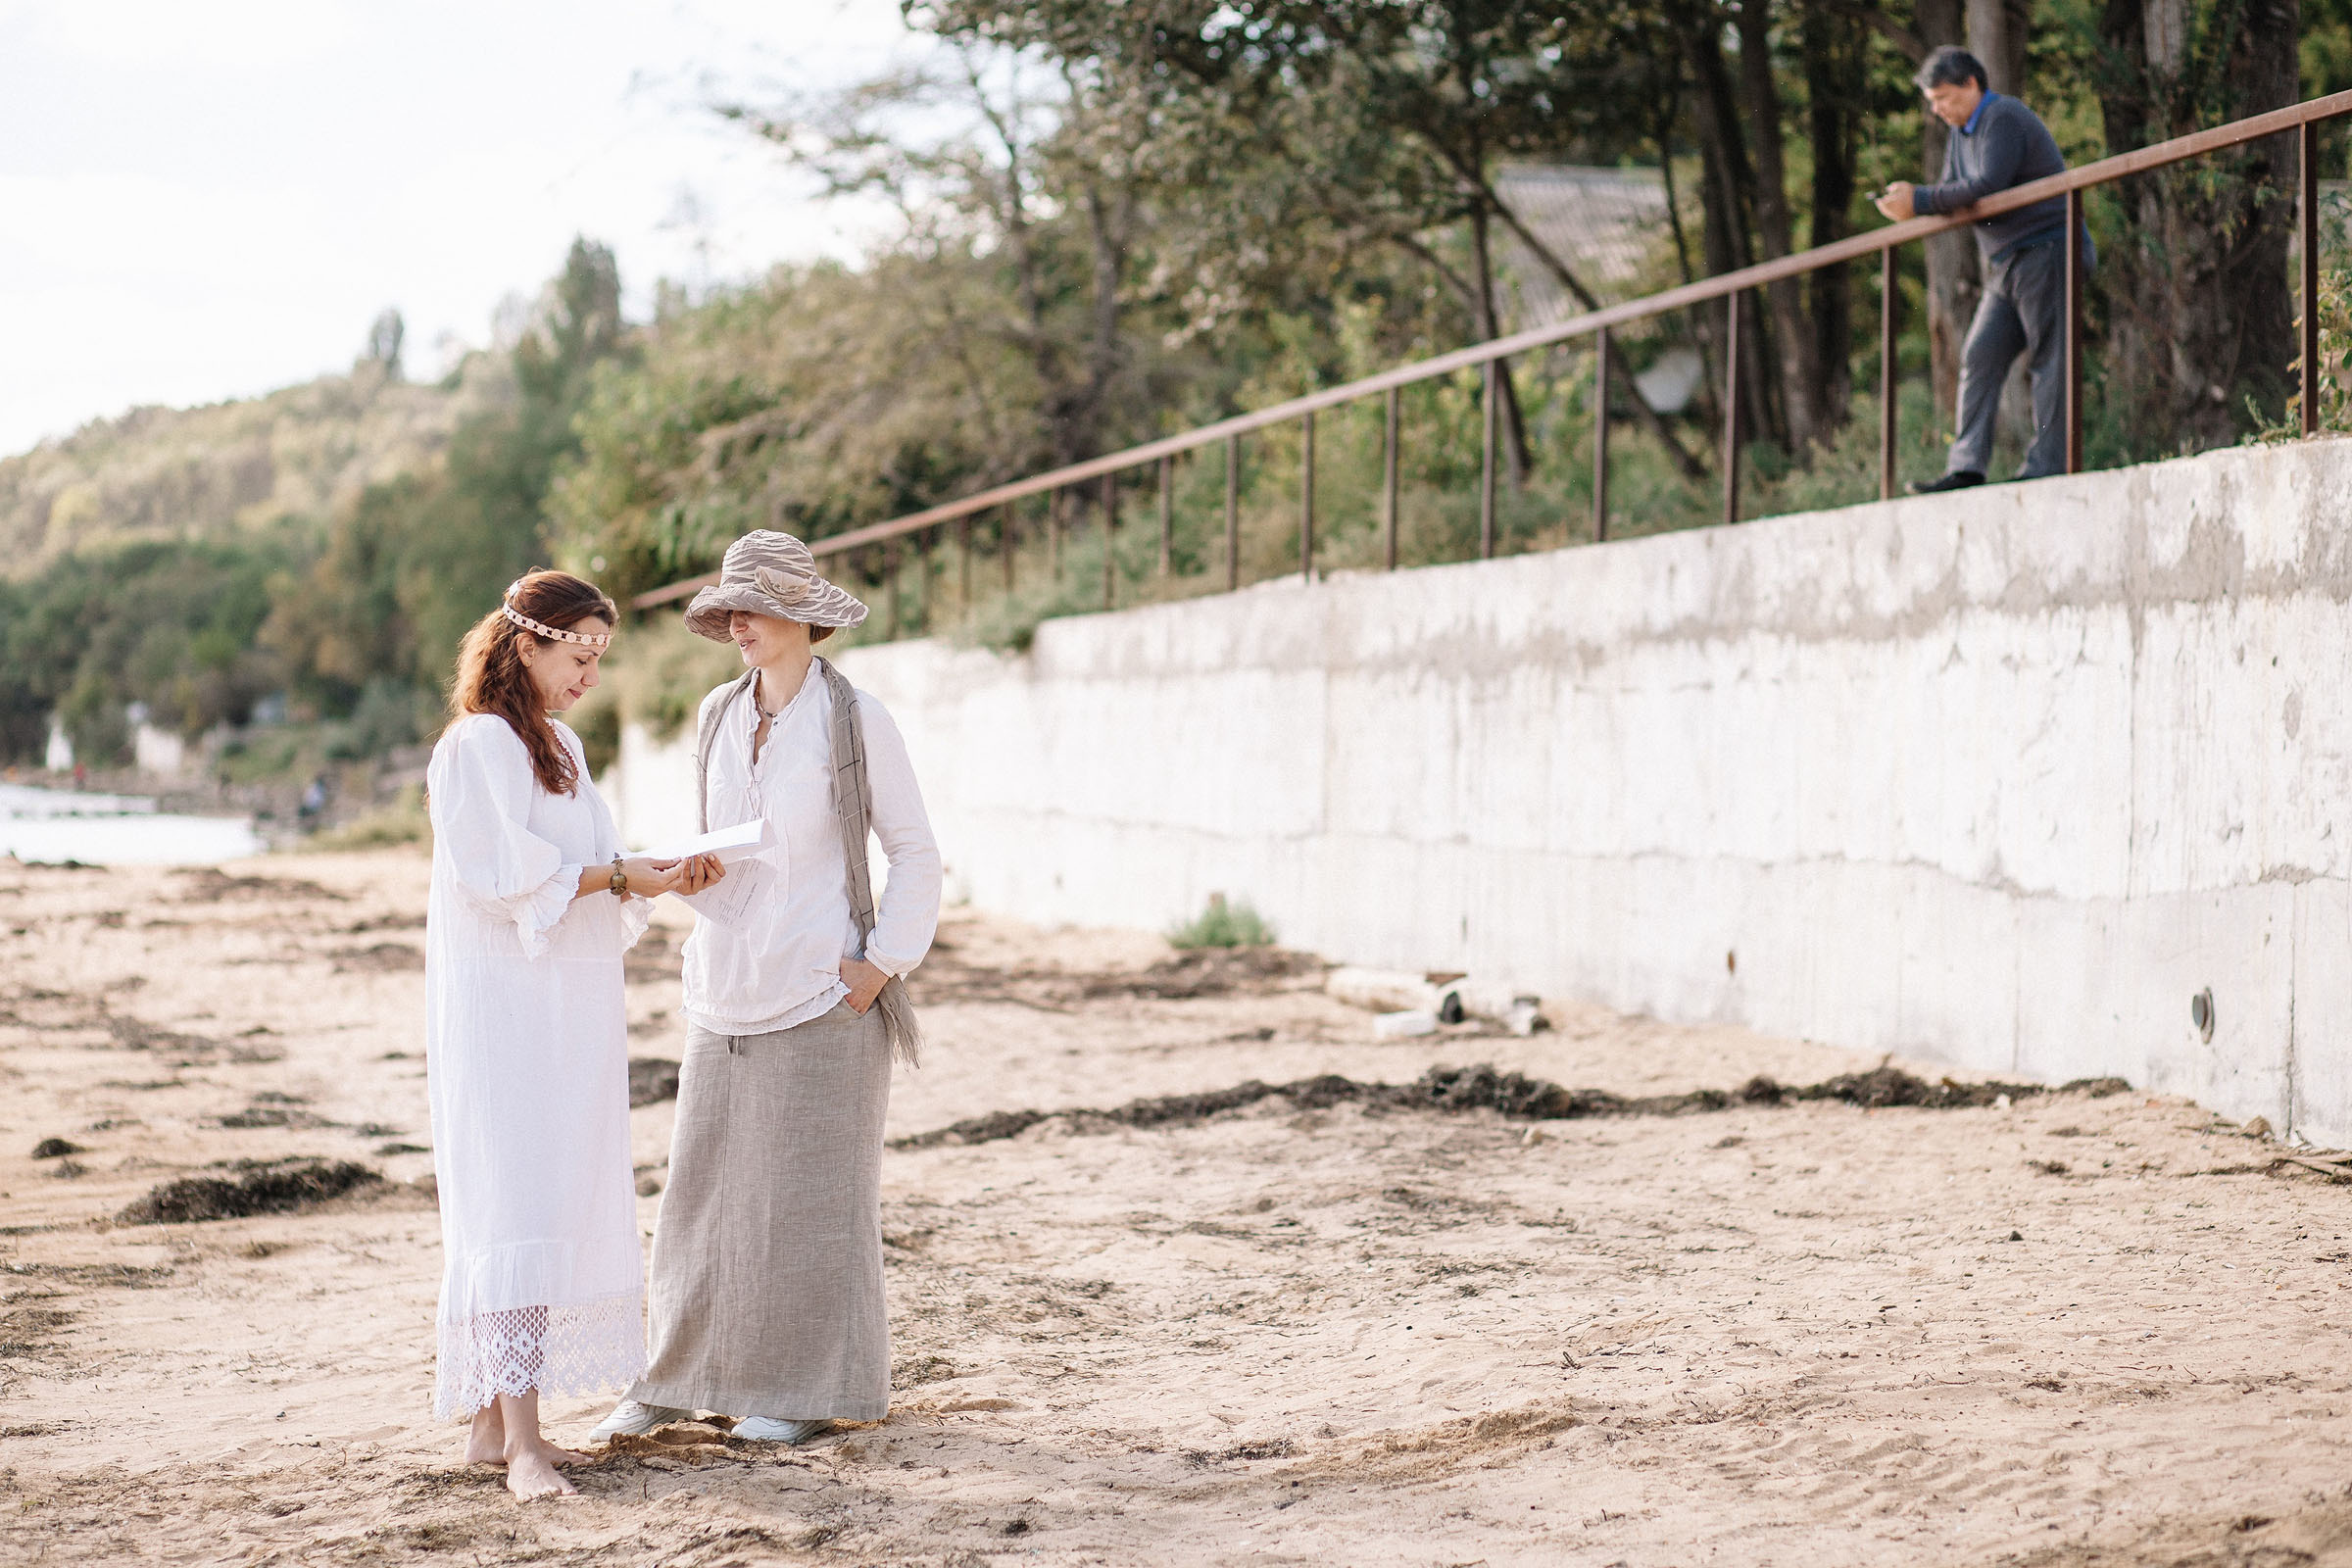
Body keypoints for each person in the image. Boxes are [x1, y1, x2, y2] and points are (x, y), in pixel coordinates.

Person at [588, 530, 941, 1448]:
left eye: (750, 608)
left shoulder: (857, 721)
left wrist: (883, 963)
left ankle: (798, 1392)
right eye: (729, 609)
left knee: (810, 1200)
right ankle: (671, 1382)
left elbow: (913, 851)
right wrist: (697, 873)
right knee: (699, 1197)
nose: (736, 623)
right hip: (722, 981)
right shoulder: (714, 713)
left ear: (800, 616)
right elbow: (736, 842)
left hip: (825, 990)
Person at [423, 569, 715, 1498]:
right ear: (528, 643)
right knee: (511, 1197)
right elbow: (506, 872)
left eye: (601, 656)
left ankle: (488, 1428)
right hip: (503, 1006)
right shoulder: (479, 745)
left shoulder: (563, 745)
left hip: (566, 1002)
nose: (591, 672)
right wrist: (623, 875)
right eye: (579, 652)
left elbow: (589, 864)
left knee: (551, 1191)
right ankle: (523, 1446)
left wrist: (652, 876)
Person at [1876, 45, 2091, 492]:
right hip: (2007, 264)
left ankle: (2049, 464)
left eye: (1945, 98)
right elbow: (1955, 189)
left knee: (2049, 357)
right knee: (1980, 355)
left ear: (1972, 84)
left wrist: (1917, 201)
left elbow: (1986, 184)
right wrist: (1917, 199)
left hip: (2047, 248)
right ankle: (1967, 467)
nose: (1939, 110)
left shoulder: (2003, 117)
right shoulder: (1962, 132)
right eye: (1932, 102)